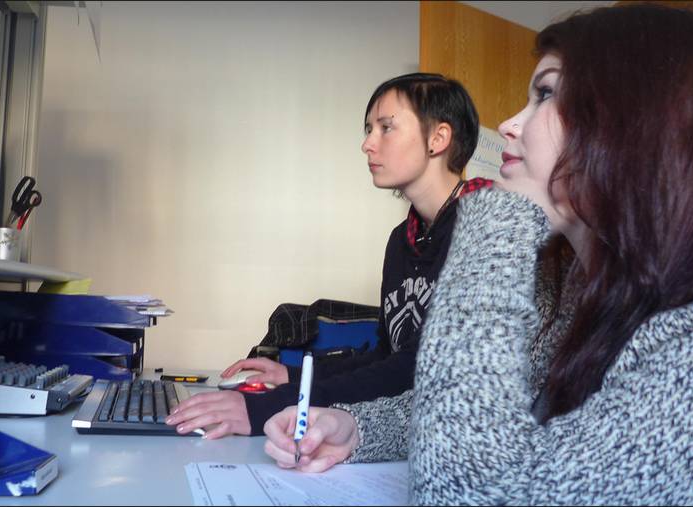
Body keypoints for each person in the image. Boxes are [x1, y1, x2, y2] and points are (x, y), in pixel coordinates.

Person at [262, 4, 693, 504]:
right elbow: (471, 411)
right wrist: (357, 427)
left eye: (546, 94)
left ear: (637, 123)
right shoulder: (573, 284)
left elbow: (465, 489)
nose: (508, 124)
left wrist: (496, 217)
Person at [166, 73, 493, 439]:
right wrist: (291, 375)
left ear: (438, 138)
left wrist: (272, 406)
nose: (367, 144)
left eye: (386, 128)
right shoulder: (402, 240)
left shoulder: (486, 233)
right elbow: (388, 356)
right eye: (368, 130)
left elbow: (415, 368)